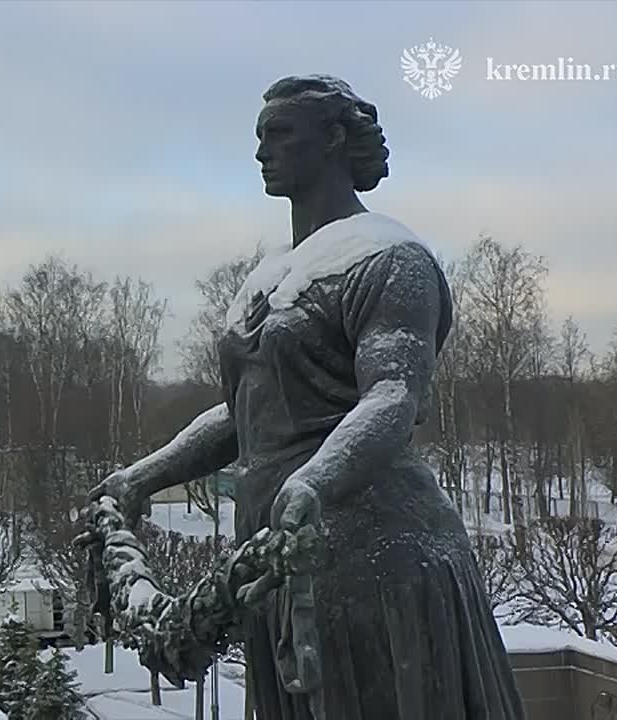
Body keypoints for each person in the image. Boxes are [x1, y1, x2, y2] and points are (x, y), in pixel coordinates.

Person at [89, 75, 525, 719]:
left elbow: (393, 396)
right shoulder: (268, 278)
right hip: (277, 568)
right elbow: (240, 415)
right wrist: (141, 478)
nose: (263, 151)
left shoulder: (389, 257)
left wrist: (314, 481)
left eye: (281, 134)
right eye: (260, 137)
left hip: (381, 561)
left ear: (334, 139)